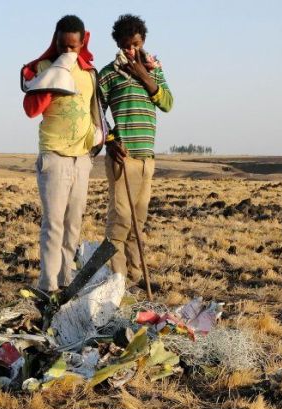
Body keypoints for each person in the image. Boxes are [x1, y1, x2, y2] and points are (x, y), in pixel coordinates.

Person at [21, 15, 107, 299]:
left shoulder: (89, 73)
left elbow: (95, 110)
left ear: (83, 43)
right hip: (55, 156)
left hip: (82, 159)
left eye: (73, 46)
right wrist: (58, 70)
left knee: (73, 224)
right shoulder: (44, 68)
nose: (67, 51)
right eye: (62, 45)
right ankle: (47, 287)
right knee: (53, 223)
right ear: (55, 41)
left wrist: (98, 137)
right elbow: (32, 109)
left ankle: (66, 282)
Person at [99, 14, 173, 290]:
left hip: (146, 158)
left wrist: (144, 75)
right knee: (120, 219)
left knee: (137, 221)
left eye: (136, 44)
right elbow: (96, 114)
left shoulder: (154, 69)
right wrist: (110, 141)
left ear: (143, 42)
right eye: (125, 45)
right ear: (118, 44)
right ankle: (116, 281)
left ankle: (135, 276)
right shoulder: (108, 74)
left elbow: (167, 103)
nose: (131, 50)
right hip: (124, 157)